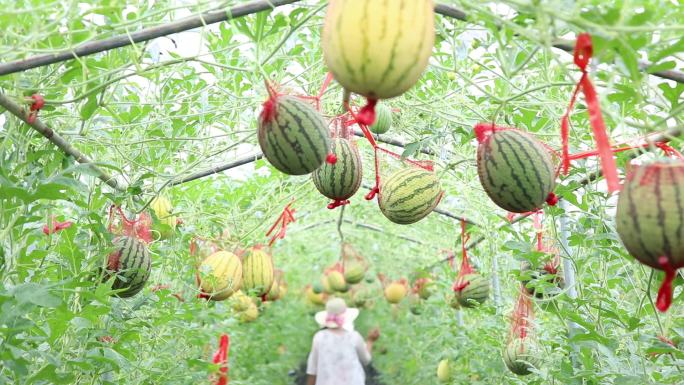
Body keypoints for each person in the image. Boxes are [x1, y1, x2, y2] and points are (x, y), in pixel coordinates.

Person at [306, 297, 380, 385]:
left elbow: (313, 368)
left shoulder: (319, 338)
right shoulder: (354, 337)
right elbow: (366, 359)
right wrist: (370, 341)